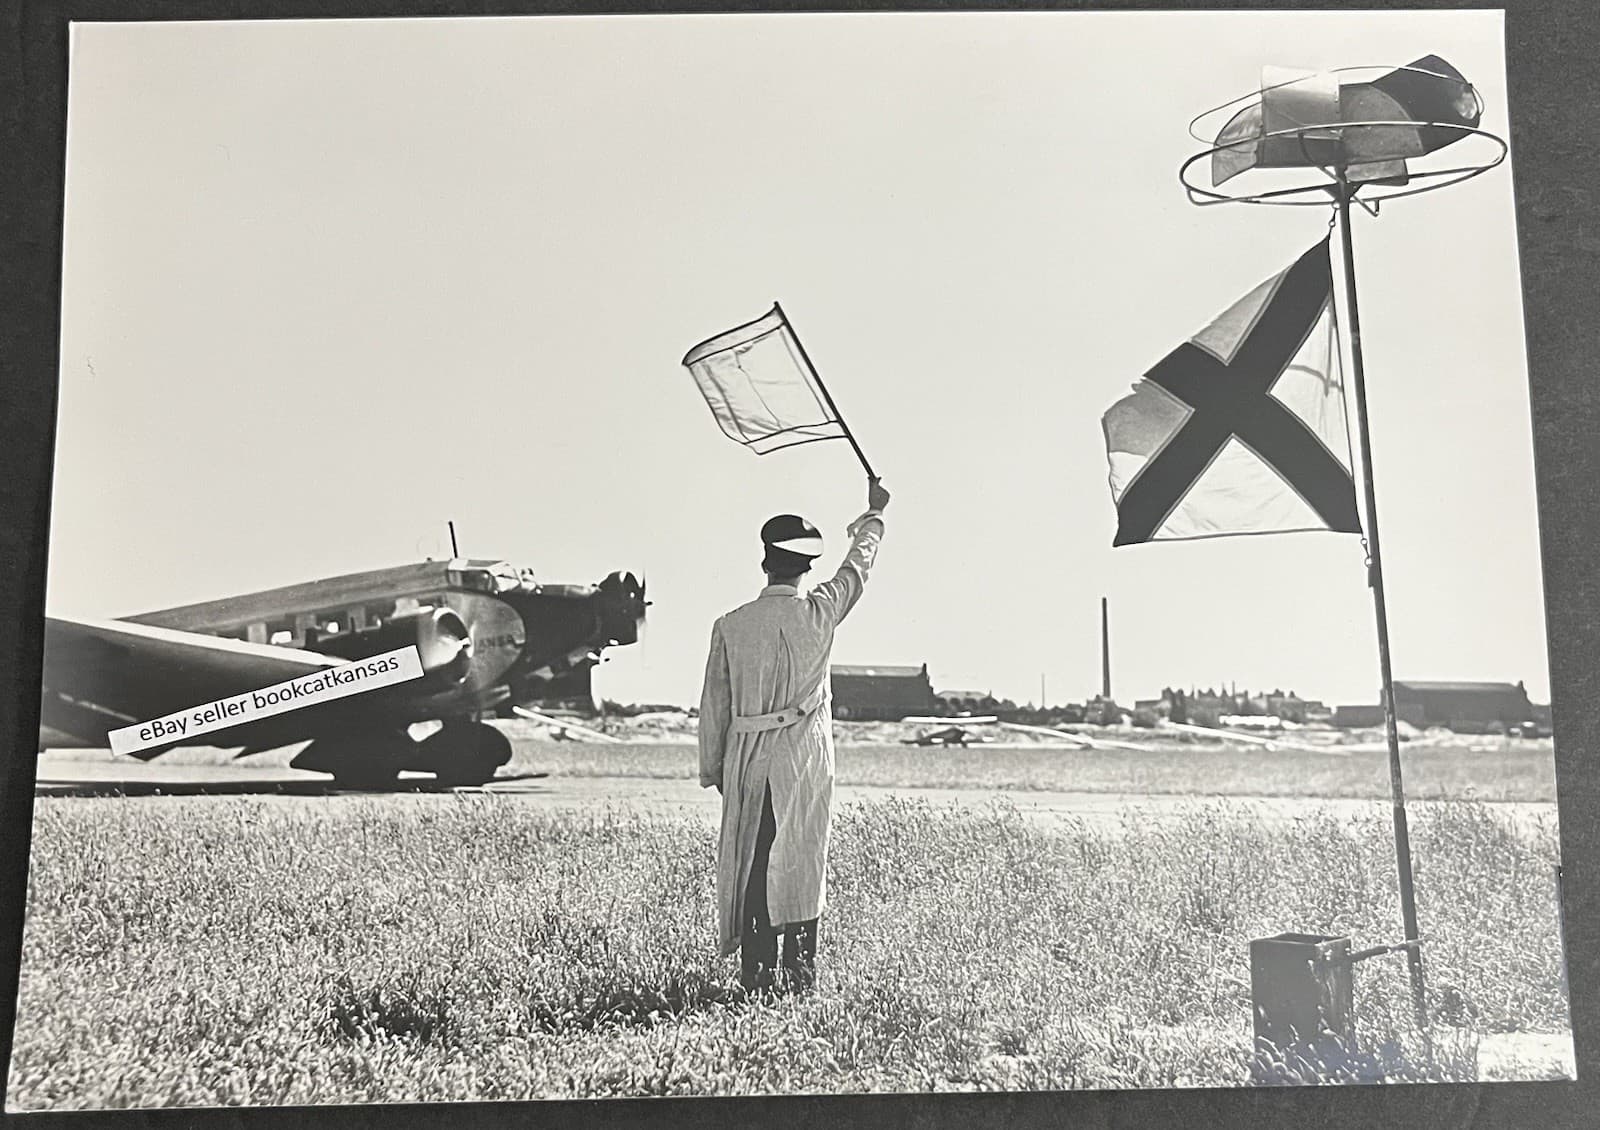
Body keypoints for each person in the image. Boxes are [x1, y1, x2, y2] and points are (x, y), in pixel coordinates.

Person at [698, 475, 891, 994]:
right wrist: (873, 517)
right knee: (804, 859)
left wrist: (715, 768)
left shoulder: (730, 624)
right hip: (804, 759)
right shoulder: (821, 611)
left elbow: (714, 703)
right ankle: (800, 976)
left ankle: (757, 975)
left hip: (748, 758)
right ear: (808, 566)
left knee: (755, 862)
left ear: (765, 561)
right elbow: (857, 569)